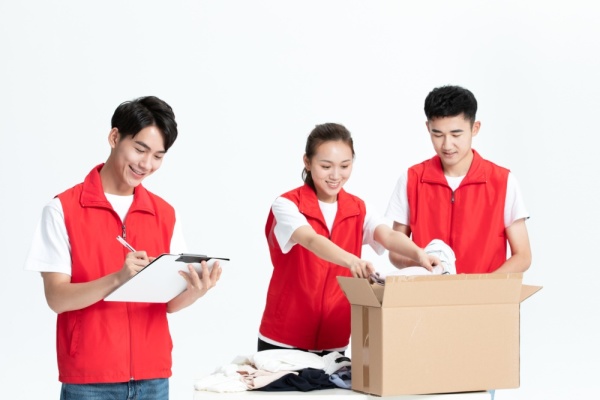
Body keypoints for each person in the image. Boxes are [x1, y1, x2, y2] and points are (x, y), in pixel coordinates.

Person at [24, 96, 222, 400]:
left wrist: (195, 291)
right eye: (140, 149)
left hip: (153, 378)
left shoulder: (165, 214)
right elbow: (57, 298)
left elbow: (168, 304)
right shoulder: (63, 209)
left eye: (158, 156)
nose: (146, 164)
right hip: (90, 381)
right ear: (115, 137)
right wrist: (118, 278)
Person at [257, 122, 439, 356]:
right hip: (284, 338)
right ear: (307, 162)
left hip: (334, 338)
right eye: (326, 166)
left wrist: (419, 254)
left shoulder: (358, 208)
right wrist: (352, 261)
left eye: (344, 166)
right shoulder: (287, 204)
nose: (336, 175)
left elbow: (388, 235)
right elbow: (311, 240)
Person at [386, 85, 532, 274]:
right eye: (437, 134)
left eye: (456, 134)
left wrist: (485, 286)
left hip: (485, 293)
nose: (447, 145)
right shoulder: (411, 179)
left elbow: (523, 255)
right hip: (427, 291)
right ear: (428, 128)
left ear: (475, 128)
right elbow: (395, 252)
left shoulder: (503, 181)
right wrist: (424, 265)